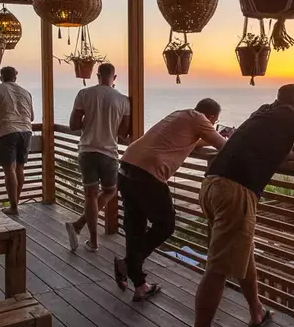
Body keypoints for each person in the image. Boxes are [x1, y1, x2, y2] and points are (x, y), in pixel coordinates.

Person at [187, 84, 294, 327]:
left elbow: (260, 146)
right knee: (218, 269)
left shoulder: (261, 112)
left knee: (240, 252)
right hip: (237, 190)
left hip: (211, 184)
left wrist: (286, 151)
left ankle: (256, 311)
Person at [115, 98, 228, 301]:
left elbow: (192, 141)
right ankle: (129, 264)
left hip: (126, 166)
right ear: (211, 117)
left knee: (135, 227)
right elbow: (223, 146)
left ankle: (140, 285)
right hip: (148, 173)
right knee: (165, 225)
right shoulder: (201, 119)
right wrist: (229, 137)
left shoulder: (181, 114)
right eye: (214, 123)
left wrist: (214, 134)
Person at [66, 63, 131, 252]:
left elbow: (73, 125)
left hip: (87, 150)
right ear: (114, 77)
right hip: (109, 152)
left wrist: (87, 120)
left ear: (97, 75)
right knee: (110, 191)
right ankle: (79, 227)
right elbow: (124, 133)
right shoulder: (122, 100)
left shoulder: (84, 94)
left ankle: (90, 238)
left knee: (90, 196)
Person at [0, 66, 35, 215]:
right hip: (26, 131)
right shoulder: (26, 92)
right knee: (20, 168)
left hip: (6, 131)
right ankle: (15, 203)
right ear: (15, 77)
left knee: (9, 170)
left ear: (1, 77)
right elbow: (32, 117)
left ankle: (14, 207)